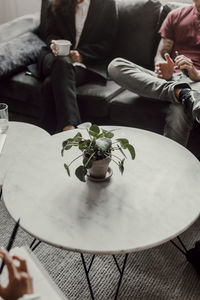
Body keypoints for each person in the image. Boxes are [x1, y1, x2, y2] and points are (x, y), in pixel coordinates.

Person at [108, 0, 200, 147]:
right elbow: (160, 55)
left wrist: (196, 74)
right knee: (116, 65)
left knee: (181, 106)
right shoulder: (176, 15)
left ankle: (183, 94)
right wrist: (162, 66)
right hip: (168, 80)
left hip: (197, 83)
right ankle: (180, 93)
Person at [38, 0, 118, 134]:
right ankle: (70, 128)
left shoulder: (106, 4)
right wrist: (54, 44)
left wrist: (82, 55)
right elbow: (49, 33)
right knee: (62, 62)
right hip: (54, 58)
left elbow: (108, 42)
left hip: (85, 64)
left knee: (50, 84)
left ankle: (47, 135)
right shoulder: (57, 2)